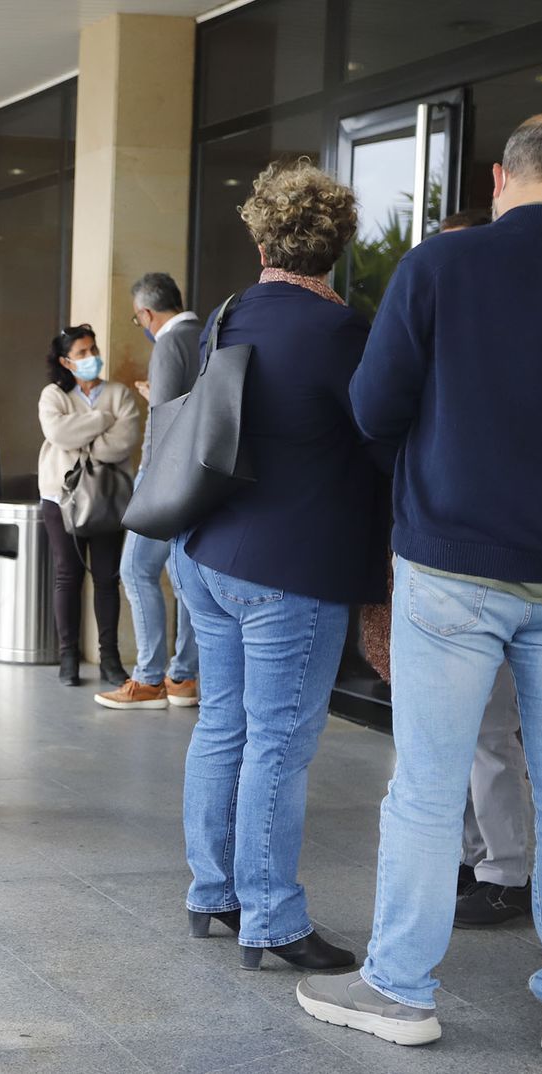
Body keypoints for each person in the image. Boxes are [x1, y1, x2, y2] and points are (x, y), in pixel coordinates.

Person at [300, 114, 542, 1063]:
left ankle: (399, 991)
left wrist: (429, 483)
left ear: (498, 180)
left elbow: (372, 409)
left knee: (427, 783)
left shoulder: (439, 269)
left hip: (453, 566)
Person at [170, 160, 384, 972]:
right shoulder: (340, 334)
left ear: (261, 235)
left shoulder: (224, 316)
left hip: (208, 554)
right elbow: (380, 441)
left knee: (224, 726)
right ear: (334, 246)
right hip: (286, 572)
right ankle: (272, 919)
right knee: (279, 746)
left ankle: (212, 893)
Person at [358, 207, 532, 931]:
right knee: (435, 731)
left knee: (489, 730)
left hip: (492, 564)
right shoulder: (429, 345)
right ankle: (471, 857)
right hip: (431, 561)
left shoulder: (502, 352)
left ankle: (508, 872)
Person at [98, 272, 201, 711]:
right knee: (186, 578)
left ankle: (148, 679)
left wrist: (151, 484)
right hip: (201, 477)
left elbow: (164, 425)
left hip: (164, 475)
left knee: (137, 570)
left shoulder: (169, 344)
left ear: (146, 313)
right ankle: (183, 677)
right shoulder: (206, 335)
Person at [37, 325, 141, 687]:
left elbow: (122, 443)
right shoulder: (53, 395)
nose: (91, 357)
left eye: (92, 349)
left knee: (107, 578)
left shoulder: (119, 393)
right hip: (60, 498)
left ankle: (109, 659)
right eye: (82, 353)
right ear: (66, 361)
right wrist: (101, 421)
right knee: (67, 575)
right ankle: (69, 658)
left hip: (109, 498)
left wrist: (85, 441)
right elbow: (58, 434)